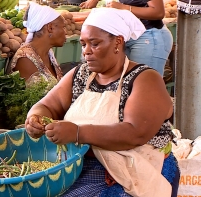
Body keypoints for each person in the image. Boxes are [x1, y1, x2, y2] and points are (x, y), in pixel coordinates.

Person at [25, 8, 179, 197]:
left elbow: (134, 133)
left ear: (117, 42)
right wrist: (36, 117)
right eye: (83, 44)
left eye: (95, 44)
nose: (86, 51)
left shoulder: (145, 79)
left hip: (140, 168)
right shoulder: (81, 74)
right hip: (89, 164)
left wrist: (78, 132)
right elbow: (49, 105)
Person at [80, 0, 173, 76]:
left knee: (143, 82)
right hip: (125, 37)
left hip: (148, 36)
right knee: (124, 84)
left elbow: (158, 12)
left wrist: (124, 8)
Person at [6, 2, 66, 81]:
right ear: (50, 28)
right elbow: (36, 92)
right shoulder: (25, 59)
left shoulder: (49, 53)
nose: (66, 32)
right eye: (63, 27)